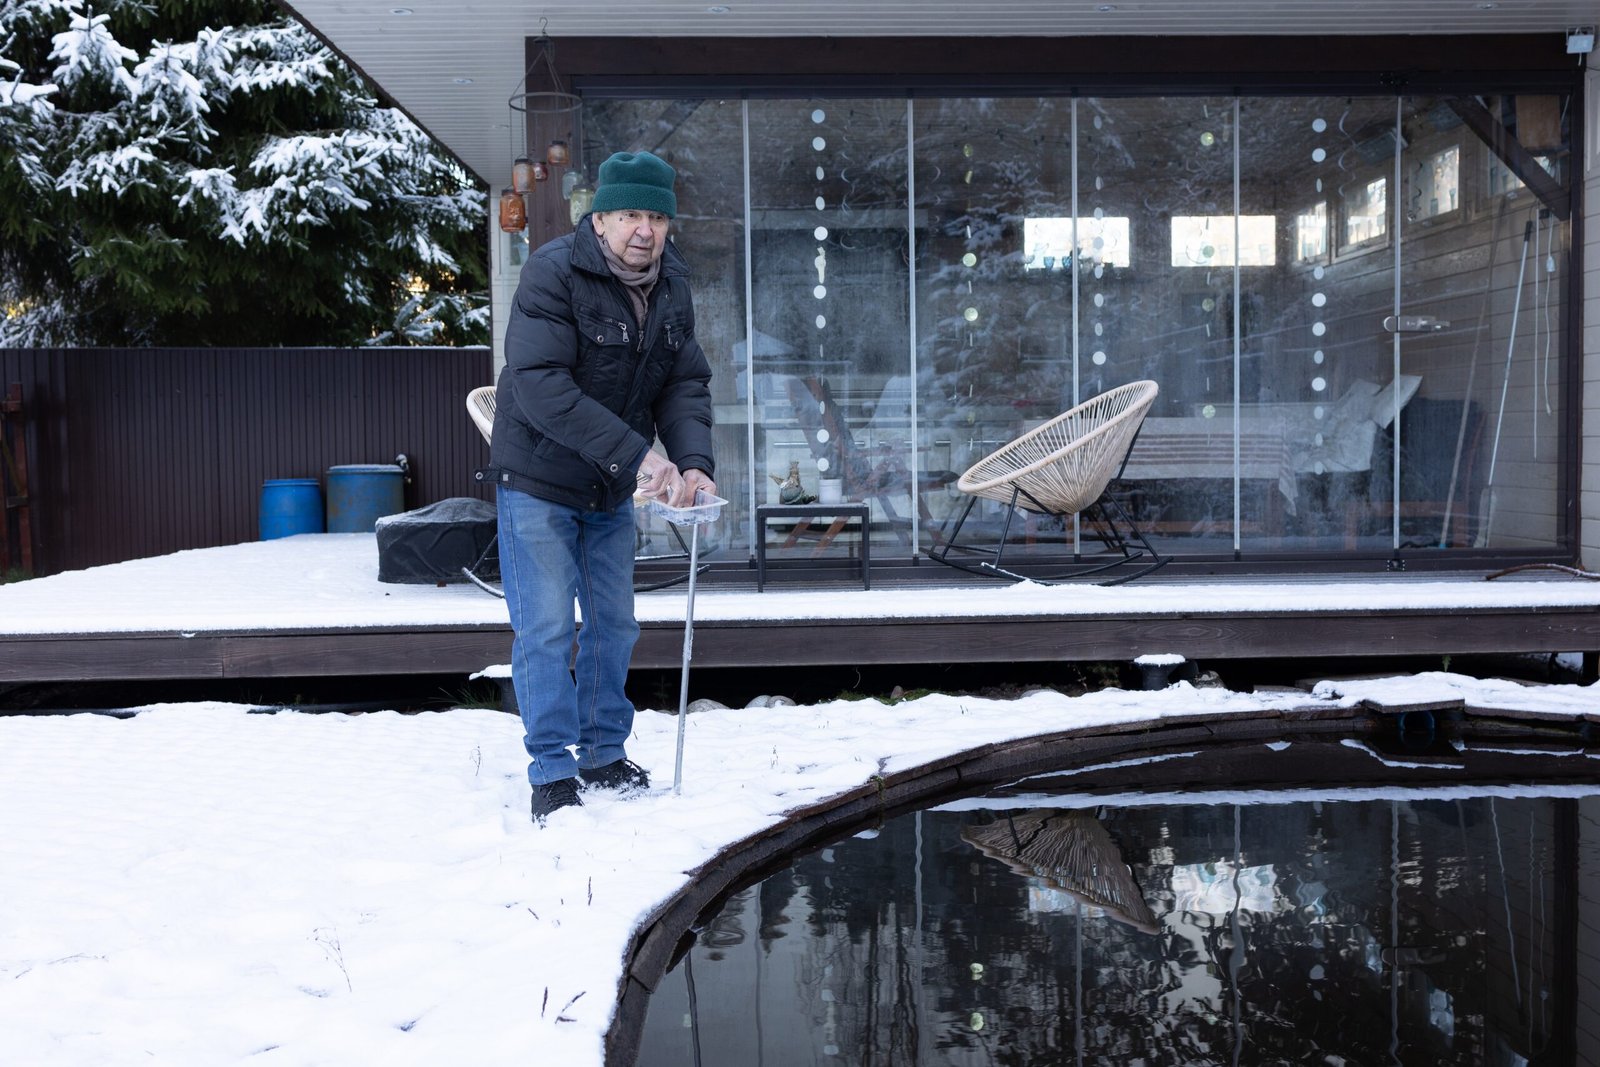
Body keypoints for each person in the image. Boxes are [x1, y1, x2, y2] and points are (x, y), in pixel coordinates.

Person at [489, 150, 716, 824]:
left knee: (615, 625)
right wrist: (640, 458)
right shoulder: (554, 271)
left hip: (609, 486)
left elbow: (684, 381)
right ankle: (553, 769)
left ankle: (601, 751)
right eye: (627, 215)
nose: (642, 229)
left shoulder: (672, 285)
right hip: (539, 477)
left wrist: (693, 459)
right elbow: (539, 386)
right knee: (548, 628)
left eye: (654, 216)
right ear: (600, 217)